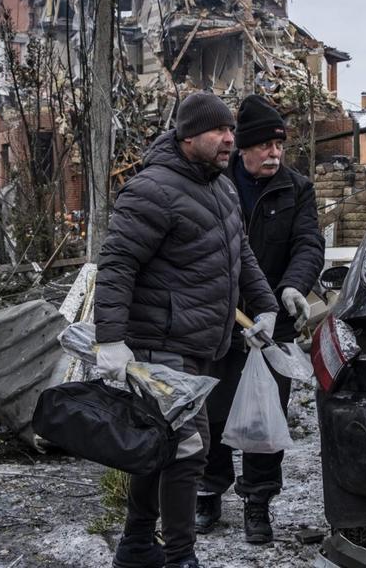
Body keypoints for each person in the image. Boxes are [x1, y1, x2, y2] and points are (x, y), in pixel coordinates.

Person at [92, 92, 279, 568]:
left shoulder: (220, 189)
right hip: (160, 345)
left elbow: (241, 254)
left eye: (231, 130)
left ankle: (136, 545)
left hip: (199, 345)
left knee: (160, 446)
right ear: (188, 136)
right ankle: (180, 557)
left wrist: (265, 307)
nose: (229, 139)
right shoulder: (152, 189)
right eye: (219, 130)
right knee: (189, 449)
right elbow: (117, 264)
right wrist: (109, 338)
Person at [196, 95, 324, 544]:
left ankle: (258, 502)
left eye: (280, 146)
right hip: (220, 319)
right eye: (265, 146)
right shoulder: (214, 184)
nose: (274, 154)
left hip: (274, 324)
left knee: (264, 417)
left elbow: (308, 243)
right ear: (243, 148)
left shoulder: (297, 188)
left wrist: (293, 286)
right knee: (210, 411)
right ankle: (208, 491)